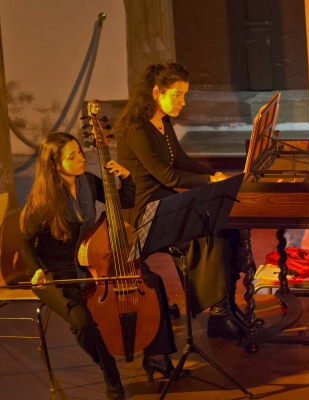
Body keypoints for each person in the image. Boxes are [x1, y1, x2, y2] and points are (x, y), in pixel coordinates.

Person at [19, 132, 190, 399]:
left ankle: (157, 357)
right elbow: (24, 242)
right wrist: (36, 270)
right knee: (82, 321)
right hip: (56, 270)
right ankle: (111, 374)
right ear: (54, 164)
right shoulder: (43, 200)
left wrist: (126, 178)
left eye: (79, 152)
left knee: (152, 283)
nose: (80, 158)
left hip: (93, 259)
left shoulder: (87, 181)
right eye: (72, 156)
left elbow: (123, 202)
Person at [114, 62, 246, 341]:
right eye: (177, 95)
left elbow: (181, 161)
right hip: (145, 211)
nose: (183, 102)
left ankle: (228, 306)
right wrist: (210, 181)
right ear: (156, 93)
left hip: (166, 203)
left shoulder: (162, 121)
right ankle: (218, 316)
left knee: (226, 224)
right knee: (209, 235)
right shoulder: (137, 128)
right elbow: (168, 175)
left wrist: (215, 175)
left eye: (184, 95)